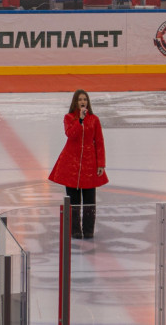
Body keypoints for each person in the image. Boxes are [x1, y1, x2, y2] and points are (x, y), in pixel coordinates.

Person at [48, 90, 108, 240]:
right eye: (80, 99)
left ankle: (88, 231)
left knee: (89, 201)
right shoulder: (69, 118)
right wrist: (79, 120)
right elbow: (70, 134)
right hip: (71, 165)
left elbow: (99, 142)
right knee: (73, 201)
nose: (83, 102)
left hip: (89, 164)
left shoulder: (94, 119)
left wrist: (101, 163)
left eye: (85, 99)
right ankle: (75, 230)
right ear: (76, 102)